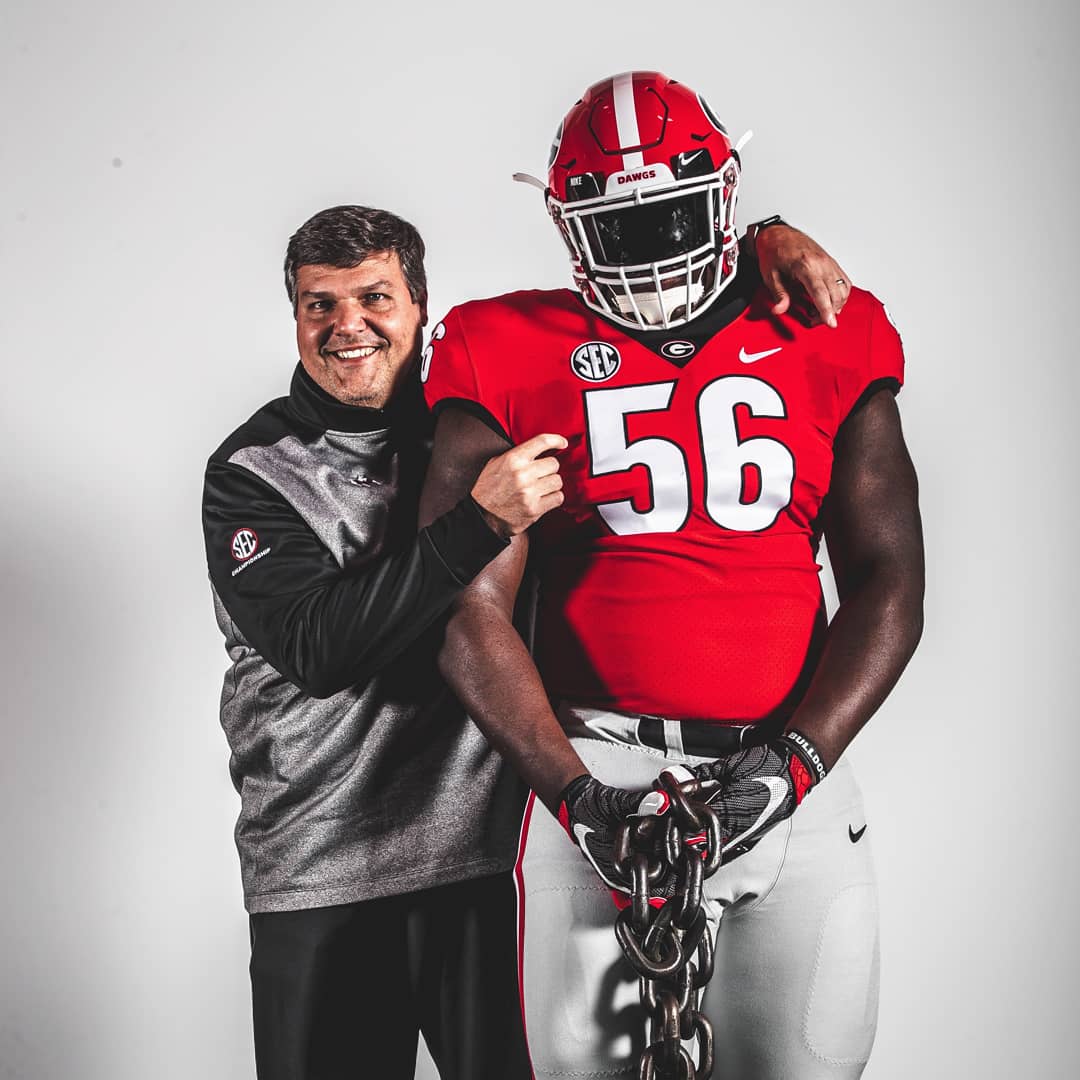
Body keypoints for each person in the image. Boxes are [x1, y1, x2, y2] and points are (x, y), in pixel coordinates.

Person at [418, 71, 924, 1080]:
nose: (654, 251)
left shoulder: (826, 325)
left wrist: (792, 767)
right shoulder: (503, 348)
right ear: (571, 230)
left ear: (725, 200)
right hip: (598, 771)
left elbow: (890, 582)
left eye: (673, 217)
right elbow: (464, 601)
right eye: (624, 229)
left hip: (793, 778)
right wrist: (574, 796)